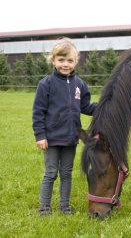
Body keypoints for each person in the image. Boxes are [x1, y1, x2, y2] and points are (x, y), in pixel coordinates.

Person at [32, 38, 97, 216]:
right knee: (51, 173)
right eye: (61, 60)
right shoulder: (45, 84)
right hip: (51, 139)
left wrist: (103, 106)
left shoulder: (80, 84)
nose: (65, 64)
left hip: (70, 138)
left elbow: (86, 106)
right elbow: (38, 112)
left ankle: (64, 206)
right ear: (53, 61)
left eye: (69, 60)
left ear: (75, 61)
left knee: (67, 174)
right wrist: (40, 136)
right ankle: (44, 207)